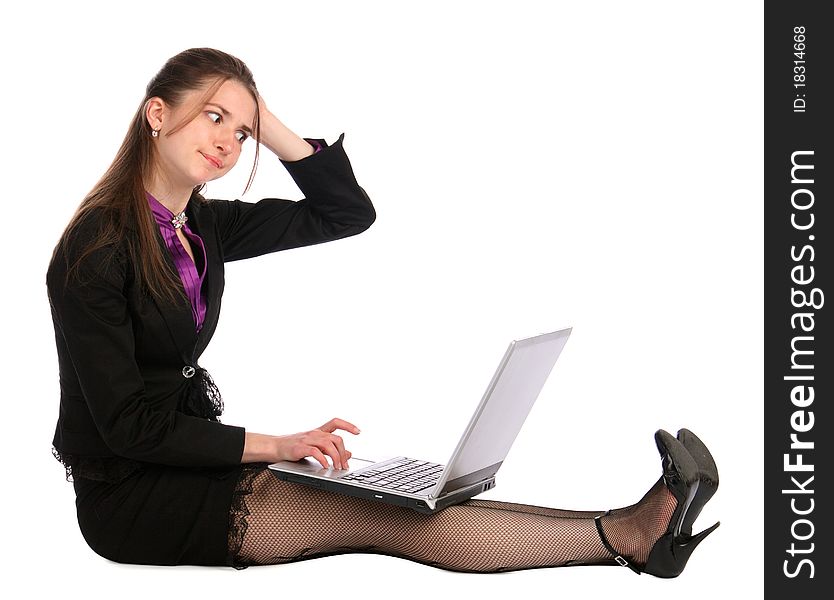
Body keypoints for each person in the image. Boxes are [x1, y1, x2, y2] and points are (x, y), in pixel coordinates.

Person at [47, 47, 719, 577]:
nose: (229, 142)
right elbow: (128, 427)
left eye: (241, 132)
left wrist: (266, 118)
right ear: (157, 113)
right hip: (131, 496)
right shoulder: (95, 249)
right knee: (393, 520)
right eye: (212, 118)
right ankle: (630, 536)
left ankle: (632, 533)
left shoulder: (204, 225)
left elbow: (344, 213)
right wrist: (279, 444)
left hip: (192, 461)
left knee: (398, 496)